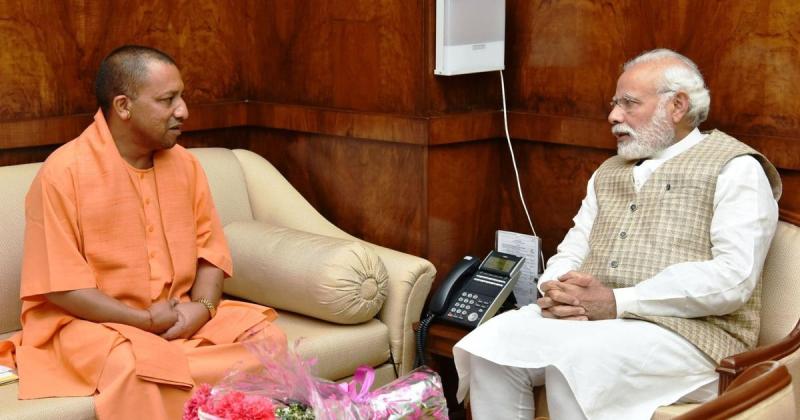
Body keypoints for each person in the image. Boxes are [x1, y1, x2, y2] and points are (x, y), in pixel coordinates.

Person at [453, 48, 782, 419]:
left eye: (629, 103)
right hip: (596, 324)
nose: (613, 116)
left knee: (577, 368)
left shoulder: (736, 168)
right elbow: (573, 248)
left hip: (694, 336)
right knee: (490, 347)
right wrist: (557, 290)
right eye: (614, 104)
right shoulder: (609, 171)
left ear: (677, 106)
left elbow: (733, 278)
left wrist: (618, 301)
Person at [0, 45, 286, 420]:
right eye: (168, 100)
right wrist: (144, 321)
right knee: (139, 367)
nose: (183, 111)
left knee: (268, 339)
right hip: (90, 326)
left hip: (176, 317)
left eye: (181, 97)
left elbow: (210, 254)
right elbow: (63, 287)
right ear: (123, 106)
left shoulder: (186, 165)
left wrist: (202, 309)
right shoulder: (63, 173)